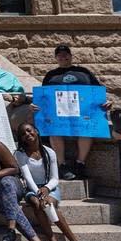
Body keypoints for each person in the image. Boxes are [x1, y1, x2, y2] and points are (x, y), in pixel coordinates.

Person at [16, 122, 88, 241]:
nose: (27, 135)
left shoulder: (49, 152)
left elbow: (55, 178)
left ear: (36, 131)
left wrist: (46, 189)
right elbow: (27, 177)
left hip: (50, 187)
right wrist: (38, 192)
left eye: (29, 131)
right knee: (37, 204)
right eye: (23, 134)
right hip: (32, 189)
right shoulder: (20, 154)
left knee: (49, 205)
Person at [42, 44, 111, 181]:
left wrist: (106, 101)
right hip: (59, 112)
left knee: (86, 130)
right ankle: (62, 165)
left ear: (71, 56)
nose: (63, 56)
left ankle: (80, 163)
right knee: (54, 130)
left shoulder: (83, 71)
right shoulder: (50, 75)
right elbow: (44, 96)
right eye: (59, 54)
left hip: (82, 111)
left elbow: (97, 90)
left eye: (65, 54)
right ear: (56, 57)